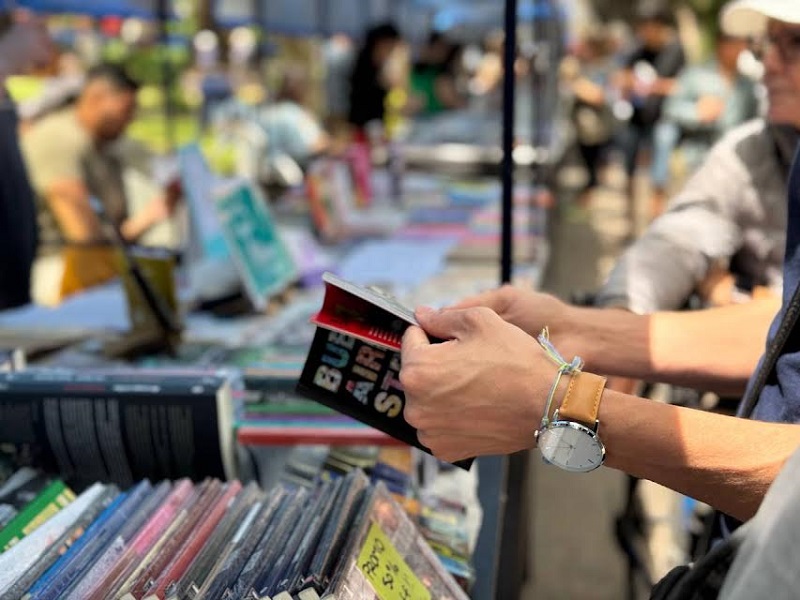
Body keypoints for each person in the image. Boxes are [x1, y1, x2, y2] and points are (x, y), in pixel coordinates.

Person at [399, 5, 800, 592]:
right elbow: (770, 317)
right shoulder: (764, 147)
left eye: (791, 43)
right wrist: (586, 330)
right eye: (767, 42)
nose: (766, 60)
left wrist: (563, 404)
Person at [21, 63, 180, 304]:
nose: (130, 119)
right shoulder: (59, 139)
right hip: (57, 269)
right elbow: (84, 237)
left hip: (96, 263)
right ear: (96, 98)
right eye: (126, 109)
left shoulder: (104, 143)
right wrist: (144, 221)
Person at [649, 33, 759, 215]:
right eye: (733, 43)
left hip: (734, 165)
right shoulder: (696, 75)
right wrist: (697, 113)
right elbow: (671, 108)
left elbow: (753, 122)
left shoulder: (747, 84)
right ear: (721, 44)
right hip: (697, 158)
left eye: (742, 44)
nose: (738, 50)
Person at [0, 10, 54, 310]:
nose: (48, 41)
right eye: (40, 28)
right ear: (19, 21)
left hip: (16, 294)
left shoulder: (8, 98)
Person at [614, 0, 685, 223]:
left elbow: (682, 85)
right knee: (629, 167)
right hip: (636, 117)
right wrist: (631, 83)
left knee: (660, 167)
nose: (647, 30)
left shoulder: (675, 50)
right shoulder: (635, 49)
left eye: (652, 25)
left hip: (664, 116)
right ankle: (630, 216)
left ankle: (657, 218)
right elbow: (620, 77)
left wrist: (652, 85)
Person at [347, 23, 402, 131]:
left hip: (378, 125)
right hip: (363, 127)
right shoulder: (361, 67)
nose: (390, 52)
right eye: (390, 47)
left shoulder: (380, 66)